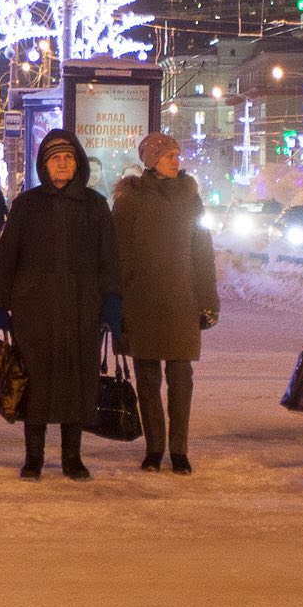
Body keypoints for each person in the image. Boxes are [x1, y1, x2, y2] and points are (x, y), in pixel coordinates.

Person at [0, 129, 122, 480]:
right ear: (44, 165)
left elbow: (109, 258)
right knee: (36, 381)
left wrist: (110, 302)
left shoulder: (95, 205)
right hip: (35, 309)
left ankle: (72, 458)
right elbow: (7, 258)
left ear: (77, 163)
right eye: (54, 158)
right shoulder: (27, 205)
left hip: (82, 308)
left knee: (77, 381)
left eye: (67, 157)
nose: (61, 163)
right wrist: (1, 304)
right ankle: (33, 458)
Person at [110, 131, 218, 475]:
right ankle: (154, 448)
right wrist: (116, 303)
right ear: (153, 160)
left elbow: (203, 252)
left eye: (177, 155)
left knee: (181, 377)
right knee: (147, 378)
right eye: (170, 155)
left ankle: (179, 450)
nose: (177, 161)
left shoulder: (190, 199)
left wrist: (208, 299)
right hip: (141, 300)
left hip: (182, 299)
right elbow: (119, 255)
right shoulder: (130, 199)